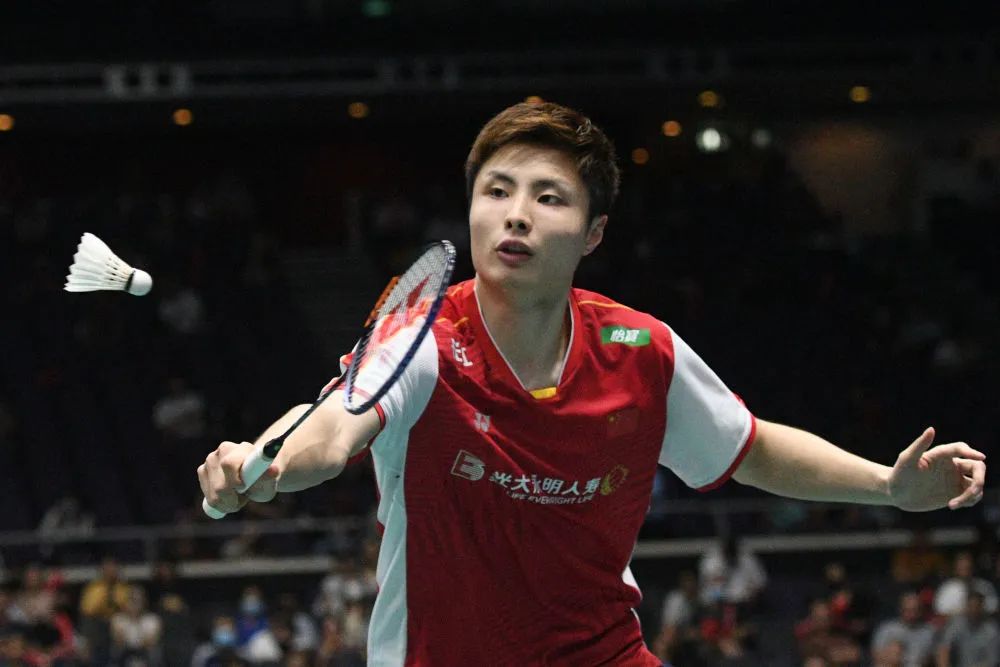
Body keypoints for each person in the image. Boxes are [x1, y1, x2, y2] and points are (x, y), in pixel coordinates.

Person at [198, 101, 987, 666]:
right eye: (497, 191)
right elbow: (335, 424)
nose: (516, 215)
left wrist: (888, 485)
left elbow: (751, 448)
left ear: (594, 233)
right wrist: (265, 460)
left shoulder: (641, 351)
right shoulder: (423, 338)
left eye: (549, 198)